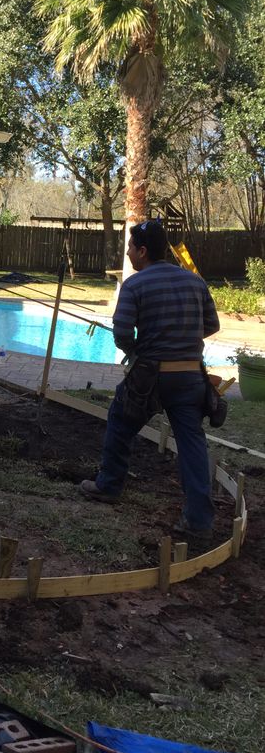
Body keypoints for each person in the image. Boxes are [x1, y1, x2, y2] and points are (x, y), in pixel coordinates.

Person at [79, 219, 220, 542]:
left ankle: (109, 485)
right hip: (190, 376)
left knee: (119, 421)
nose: (128, 253)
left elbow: (122, 333)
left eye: (130, 247)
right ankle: (198, 520)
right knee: (192, 443)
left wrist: (140, 352)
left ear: (142, 251)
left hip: (150, 375)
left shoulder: (135, 284)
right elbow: (211, 325)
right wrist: (181, 340)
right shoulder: (195, 283)